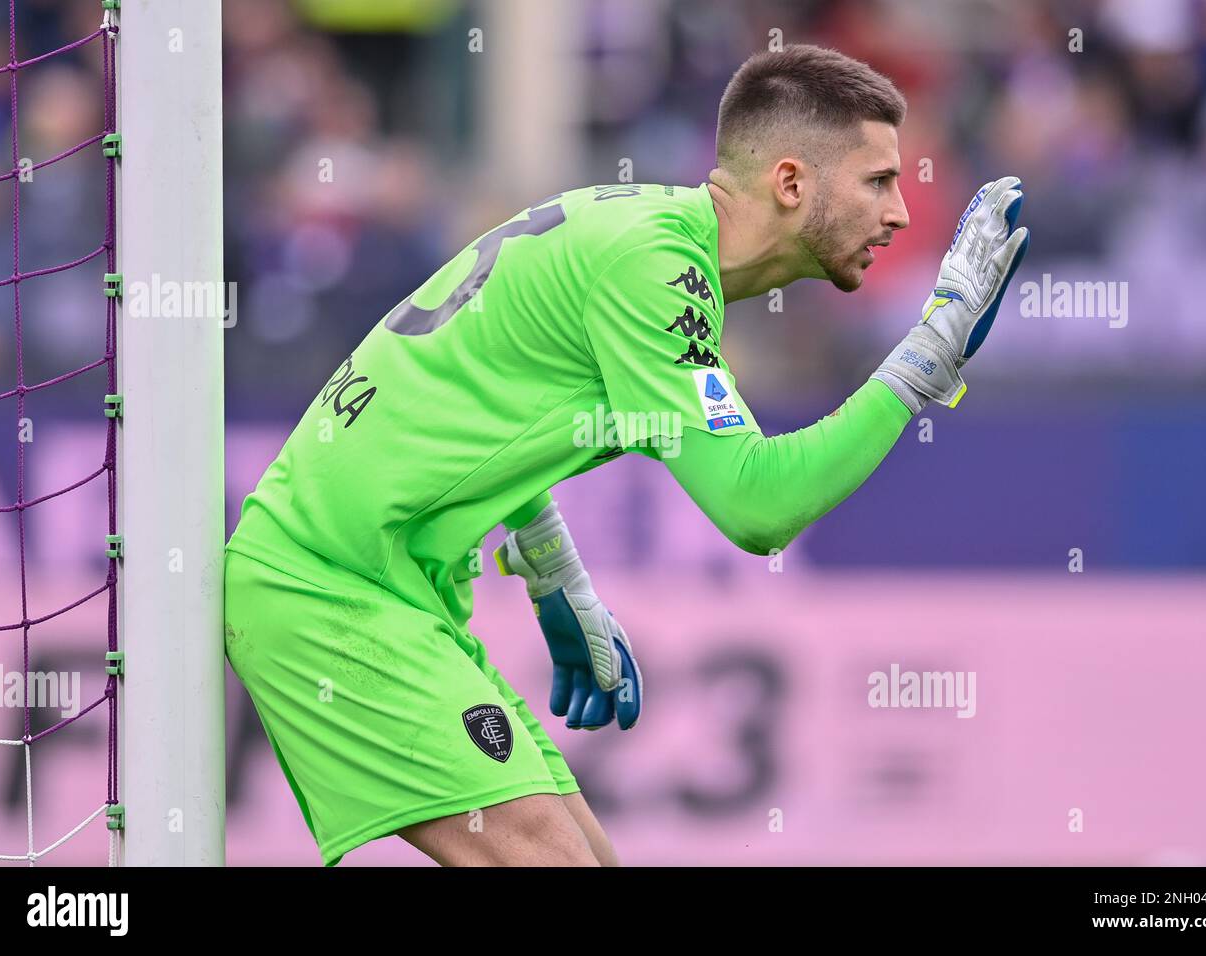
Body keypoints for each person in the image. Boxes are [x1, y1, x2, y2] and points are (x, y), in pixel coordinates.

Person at [224, 43, 1029, 867]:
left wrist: (553, 571)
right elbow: (757, 508)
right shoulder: (655, 268)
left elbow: (481, 397)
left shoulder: (643, 231)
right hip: (327, 591)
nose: (900, 213)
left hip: (388, 590)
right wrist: (926, 358)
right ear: (791, 183)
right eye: (878, 182)